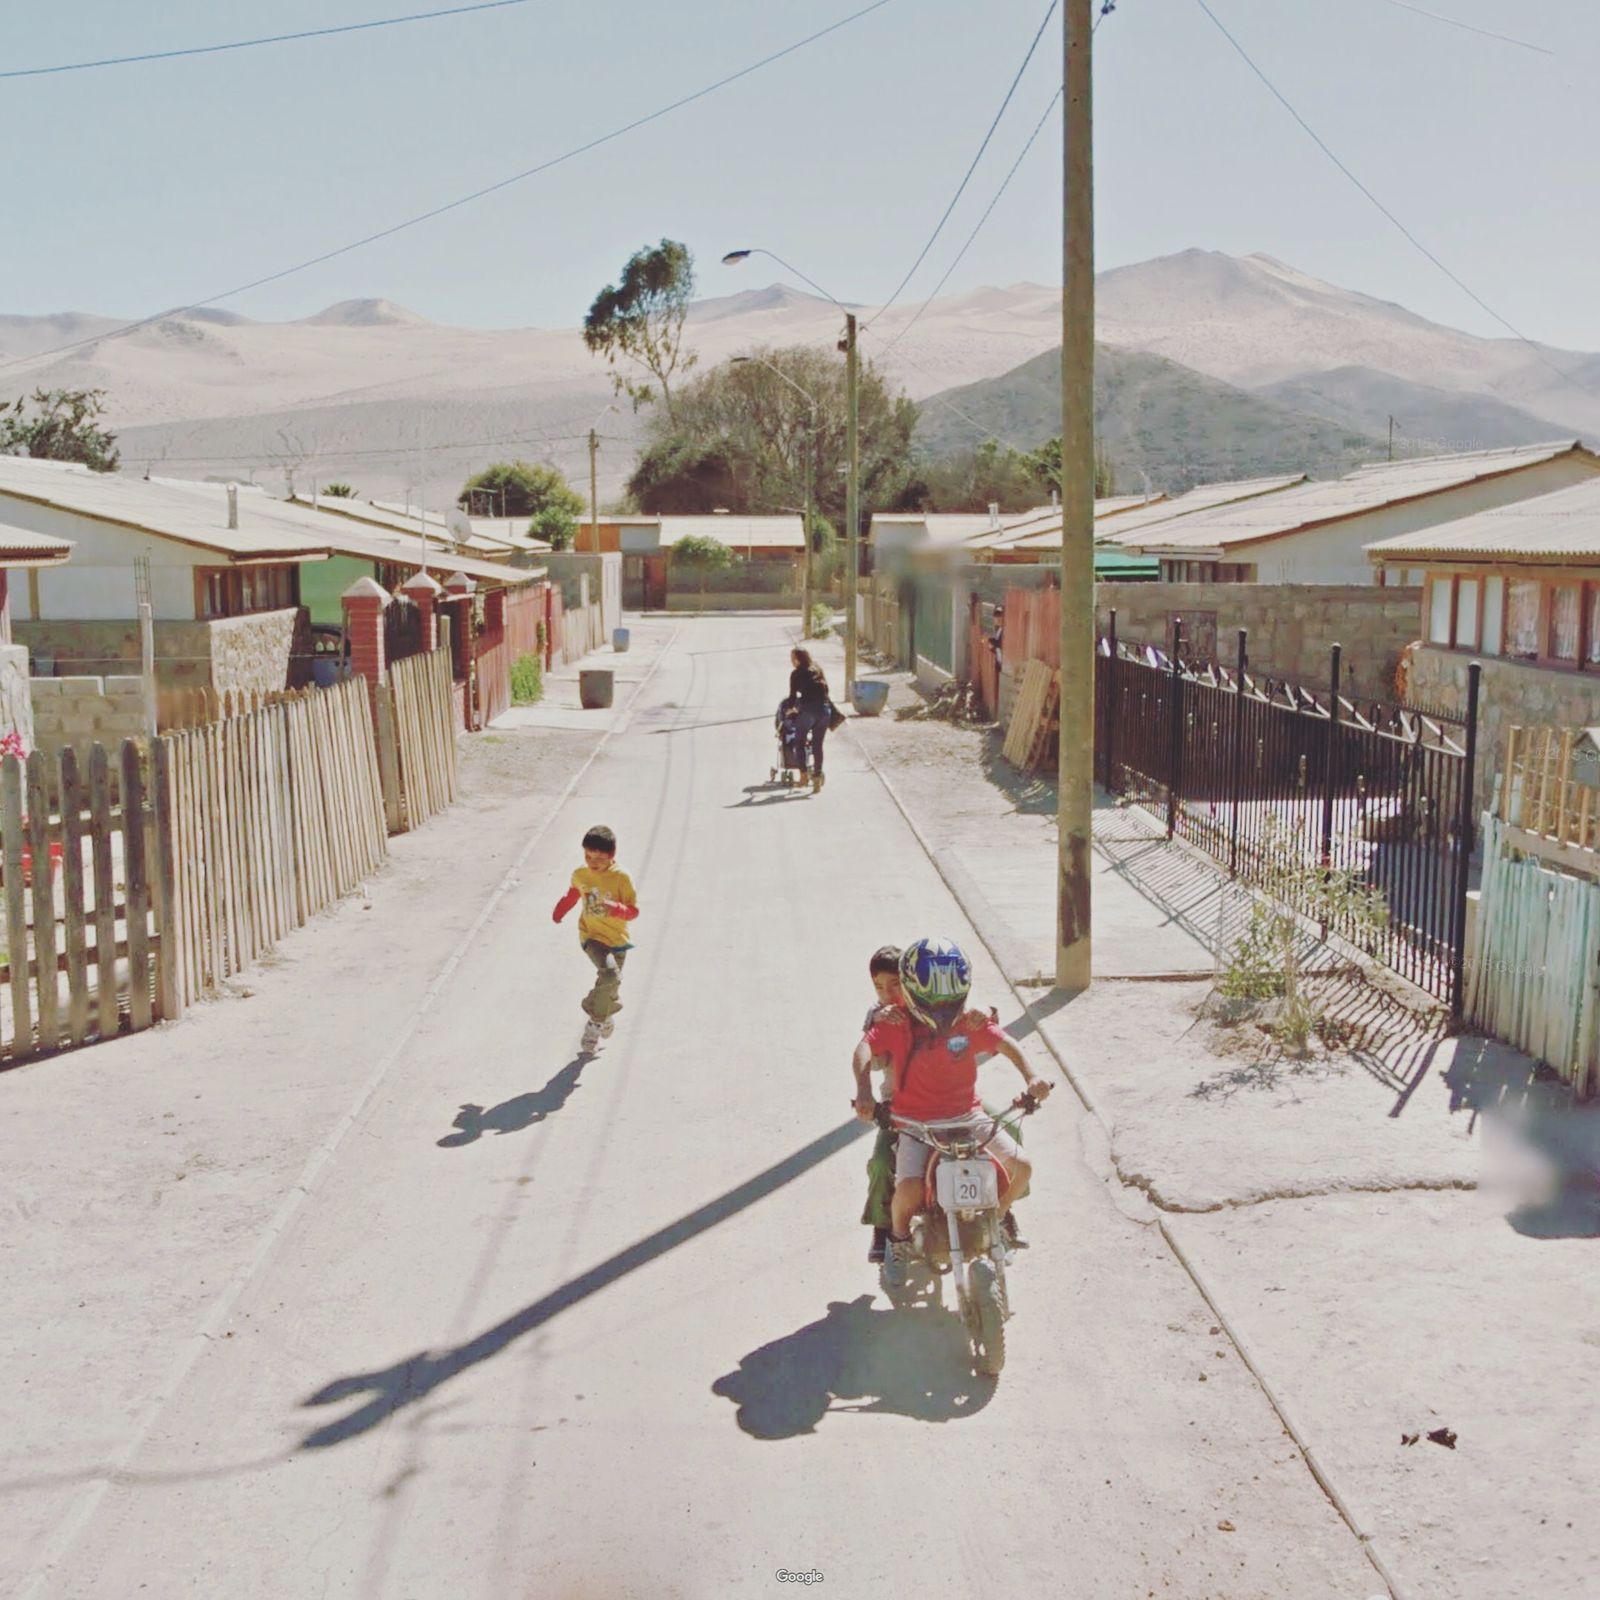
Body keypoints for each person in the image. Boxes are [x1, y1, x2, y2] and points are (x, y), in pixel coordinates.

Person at [851, 937, 1051, 1291]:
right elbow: (865, 1046)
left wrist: (1032, 1076)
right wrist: (864, 1091)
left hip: (967, 1114)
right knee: (906, 1187)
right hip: (913, 1122)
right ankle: (895, 1239)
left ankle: (997, 1221)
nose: (940, 1004)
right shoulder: (894, 1020)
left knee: (1022, 1166)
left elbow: (1003, 1042)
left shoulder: (969, 1020)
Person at [552, 824, 639, 1054]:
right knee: (610, 975)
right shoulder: (581, 874)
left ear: (612, 855)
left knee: (611, 983)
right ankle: (595, 1026)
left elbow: (633, 911)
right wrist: (560, 910)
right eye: (588, 856)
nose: (592, 862)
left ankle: (604, 1011)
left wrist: (616, 907)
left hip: (618, 940)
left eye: (599, 858)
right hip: (591, 936)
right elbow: (572, 894)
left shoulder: (621, 878)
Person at [788, 646, 830, 794]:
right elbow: (827, 691)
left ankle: (804, 777)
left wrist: (790, 709)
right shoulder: (817, 669)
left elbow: (792, 697)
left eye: (793, 658)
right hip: (824, 711)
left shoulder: (796, 674)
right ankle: (817, 779)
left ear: (798, 659)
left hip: (808, 712)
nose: (792, 661)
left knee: (799, 742)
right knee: (817, 746)